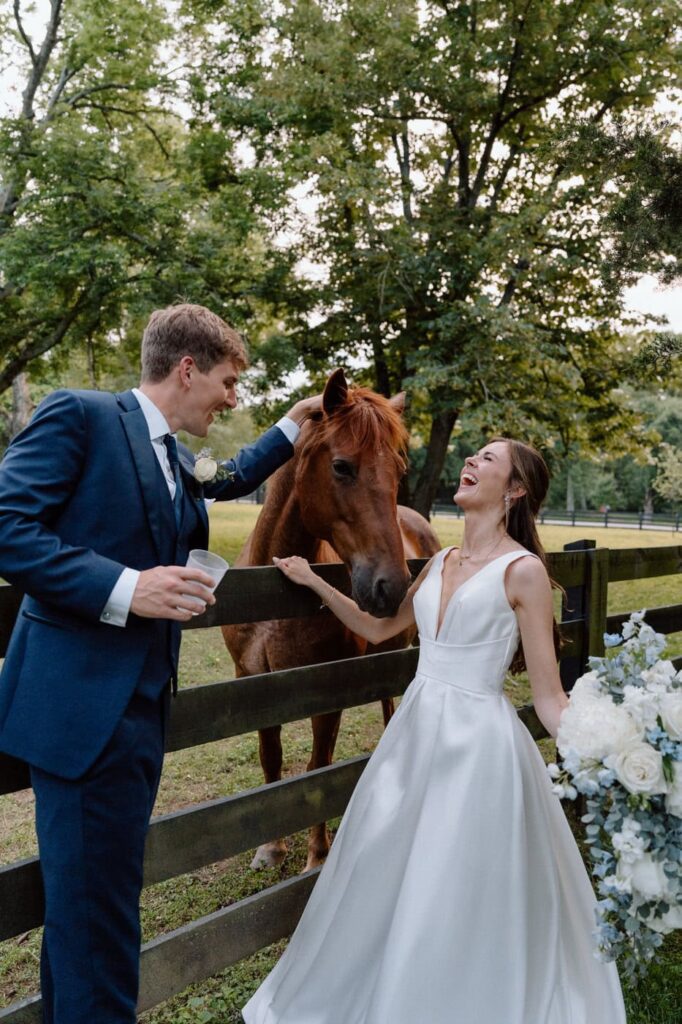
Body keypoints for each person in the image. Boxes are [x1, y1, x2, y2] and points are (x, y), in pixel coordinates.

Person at [0, 303, 321, 1024]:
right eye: (230, 382)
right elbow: (7, 527)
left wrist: (295, 425)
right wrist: (126, 587)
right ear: (187, 368)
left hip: (141, 715)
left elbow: (230, 476)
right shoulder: (81, 416)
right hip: (82, 717)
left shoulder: (174, 453)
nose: (234, 398)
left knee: (91, 917)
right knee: (100, 928)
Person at [243, 437, 627, 1024]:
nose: (470, 461)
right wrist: (315, 583)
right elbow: (377, 629)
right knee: (387, 863)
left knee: (455, 880)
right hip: (414, 737)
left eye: (488, 460)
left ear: (516, 489)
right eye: (473, 455)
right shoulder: (442, 560)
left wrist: (610, 751)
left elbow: (549, 699)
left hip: (479, 751)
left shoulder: (523, 572)